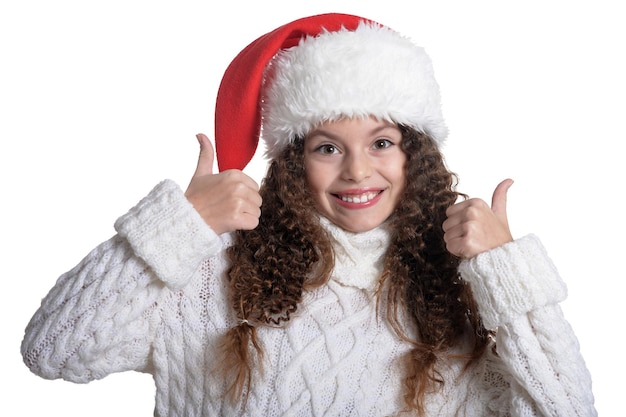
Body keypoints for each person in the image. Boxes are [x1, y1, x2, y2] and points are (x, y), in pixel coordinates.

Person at [21, 12, 597, 417]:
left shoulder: (468, 291)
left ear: (414, 153)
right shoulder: (206, 273)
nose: (356, 171)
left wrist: (507, 271)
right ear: (294, 162)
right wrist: (182, 225)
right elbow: (53, 351)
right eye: (327, 147)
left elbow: (567, 409)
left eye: (381, 143)